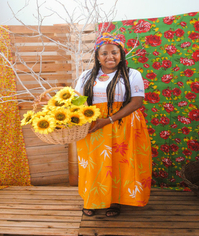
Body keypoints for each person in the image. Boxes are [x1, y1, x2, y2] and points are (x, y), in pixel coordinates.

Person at [74, 33, 152, 217]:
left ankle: (114, 202)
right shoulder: (86, 76)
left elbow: (137, 102)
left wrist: (109, 119)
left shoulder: (132, 74)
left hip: (123, 124)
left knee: (119, 164)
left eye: (115, 52)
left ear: (121, 54)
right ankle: (91, 200)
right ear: (97, 57)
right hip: (92, 126)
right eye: (105, 53)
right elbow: (77, 101)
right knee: (93, 164)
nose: (110, 57)